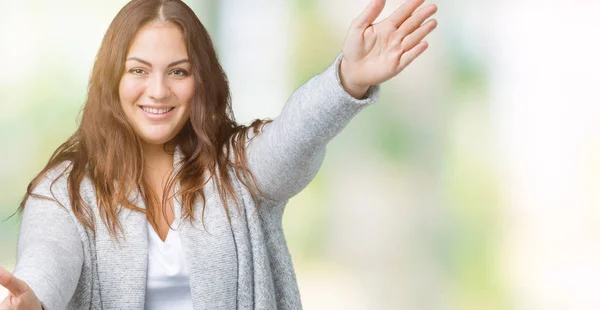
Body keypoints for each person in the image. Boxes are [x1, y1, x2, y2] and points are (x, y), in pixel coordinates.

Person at [0, 0, 437, 309]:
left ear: (201, 79)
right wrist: (31, 300)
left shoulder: (238, 168)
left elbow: (295, 136)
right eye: (138, 70)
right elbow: (47, 259)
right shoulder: (65, 188)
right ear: (111, 80)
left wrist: (347, 79)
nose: (158, 90)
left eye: (178, 71)